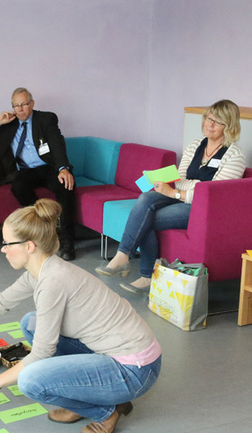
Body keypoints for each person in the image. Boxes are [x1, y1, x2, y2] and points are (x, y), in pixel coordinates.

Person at [0, 198, 161, 433]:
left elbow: (41, 354)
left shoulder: (52, 282)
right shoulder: (42, 269)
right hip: (120, 356)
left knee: (30, 381)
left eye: (7, 244)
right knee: (30, 322)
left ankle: (105, 411)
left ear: (29, 246)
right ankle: (93, 394)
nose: (2, 250)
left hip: (134, 371)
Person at [96, 99, 246, 294]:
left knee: (146, 218)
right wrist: (184, 188)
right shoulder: (194, 146)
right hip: (183, 196)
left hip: (204, 210)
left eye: (217, 122)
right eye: (209, 118)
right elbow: (181, 177)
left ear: (229, 126)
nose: (210, 124)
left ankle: (145, 275)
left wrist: (178, 192)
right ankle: (123, 255)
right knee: (145, 199)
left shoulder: (235, 155)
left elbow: (214, 194)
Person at [0, 87, 77, 261]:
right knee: (19, 187)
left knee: (66, 185)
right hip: (25, 171)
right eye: (16, 105)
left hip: (48, 166)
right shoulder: (8, 124)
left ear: (32, 104)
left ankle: (67, 240)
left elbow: (57, 142)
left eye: (23, 104)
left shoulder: (46, 119)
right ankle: (45, 226)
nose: (20, 109)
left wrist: (63, 168)